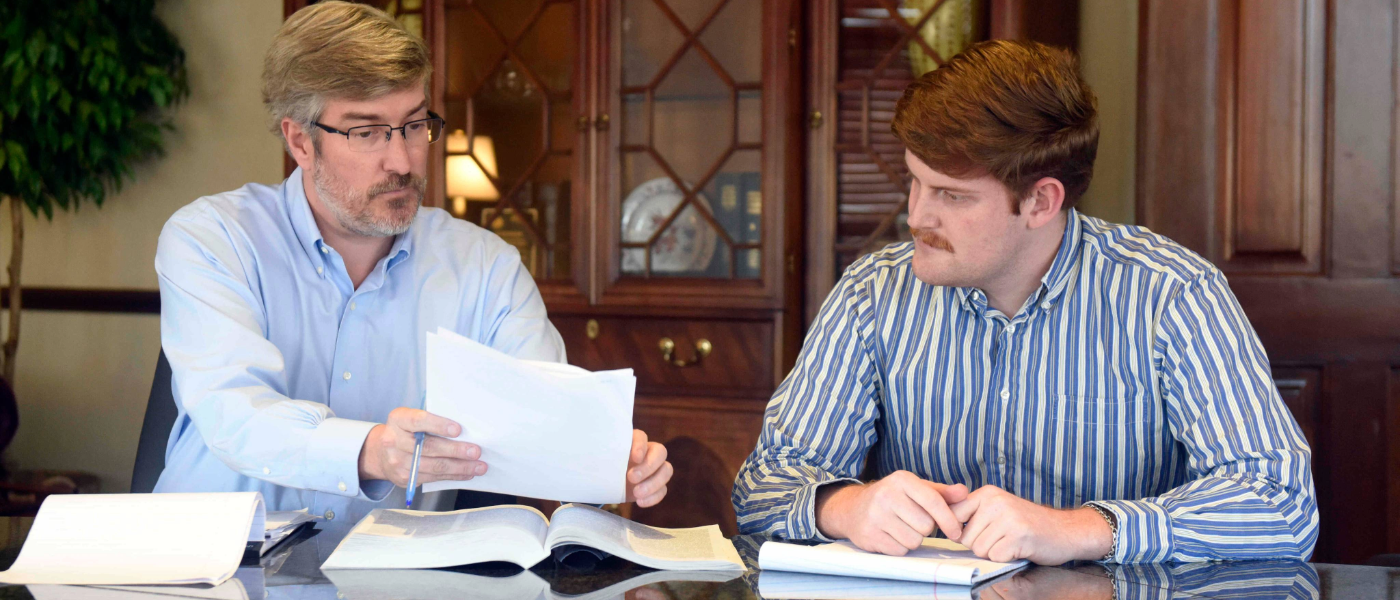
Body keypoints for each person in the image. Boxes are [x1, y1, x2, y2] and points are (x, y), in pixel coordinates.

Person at [732, 40, 1317, 564]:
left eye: (950, 195)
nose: (915, 216)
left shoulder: (1171, 295)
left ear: (1041, 202)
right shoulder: (873, 294)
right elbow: (762, 484)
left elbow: (1281, 504)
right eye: (913, 181)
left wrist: (1084, 529)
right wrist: (844, 506)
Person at [153, 1, 671, 555]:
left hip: (391, 578)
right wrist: (371, 450)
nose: (402, 160)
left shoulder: (484, 266)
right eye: (367, 132)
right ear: (300, 141)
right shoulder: (212, 240)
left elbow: (542, 416)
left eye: (415, 125)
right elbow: (235, 412)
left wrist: (603, 461)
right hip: (214, 570)